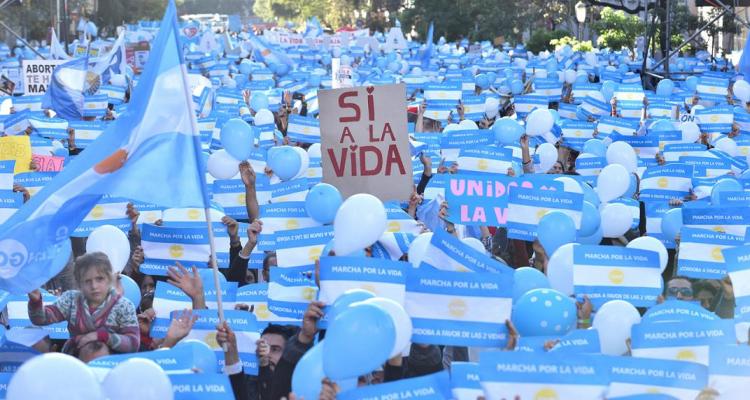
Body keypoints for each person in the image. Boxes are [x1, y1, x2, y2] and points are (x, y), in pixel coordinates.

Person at [27, 252, 140, 357]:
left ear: (109, 278)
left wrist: (101, 336)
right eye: (87, 281)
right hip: (76, 360)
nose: (94, 286)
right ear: (79, 283)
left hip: (110, 365)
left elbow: (133, 343)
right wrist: (36, 301)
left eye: (99, 279)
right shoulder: (71, 300)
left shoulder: (124, 306)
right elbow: (41, 319)